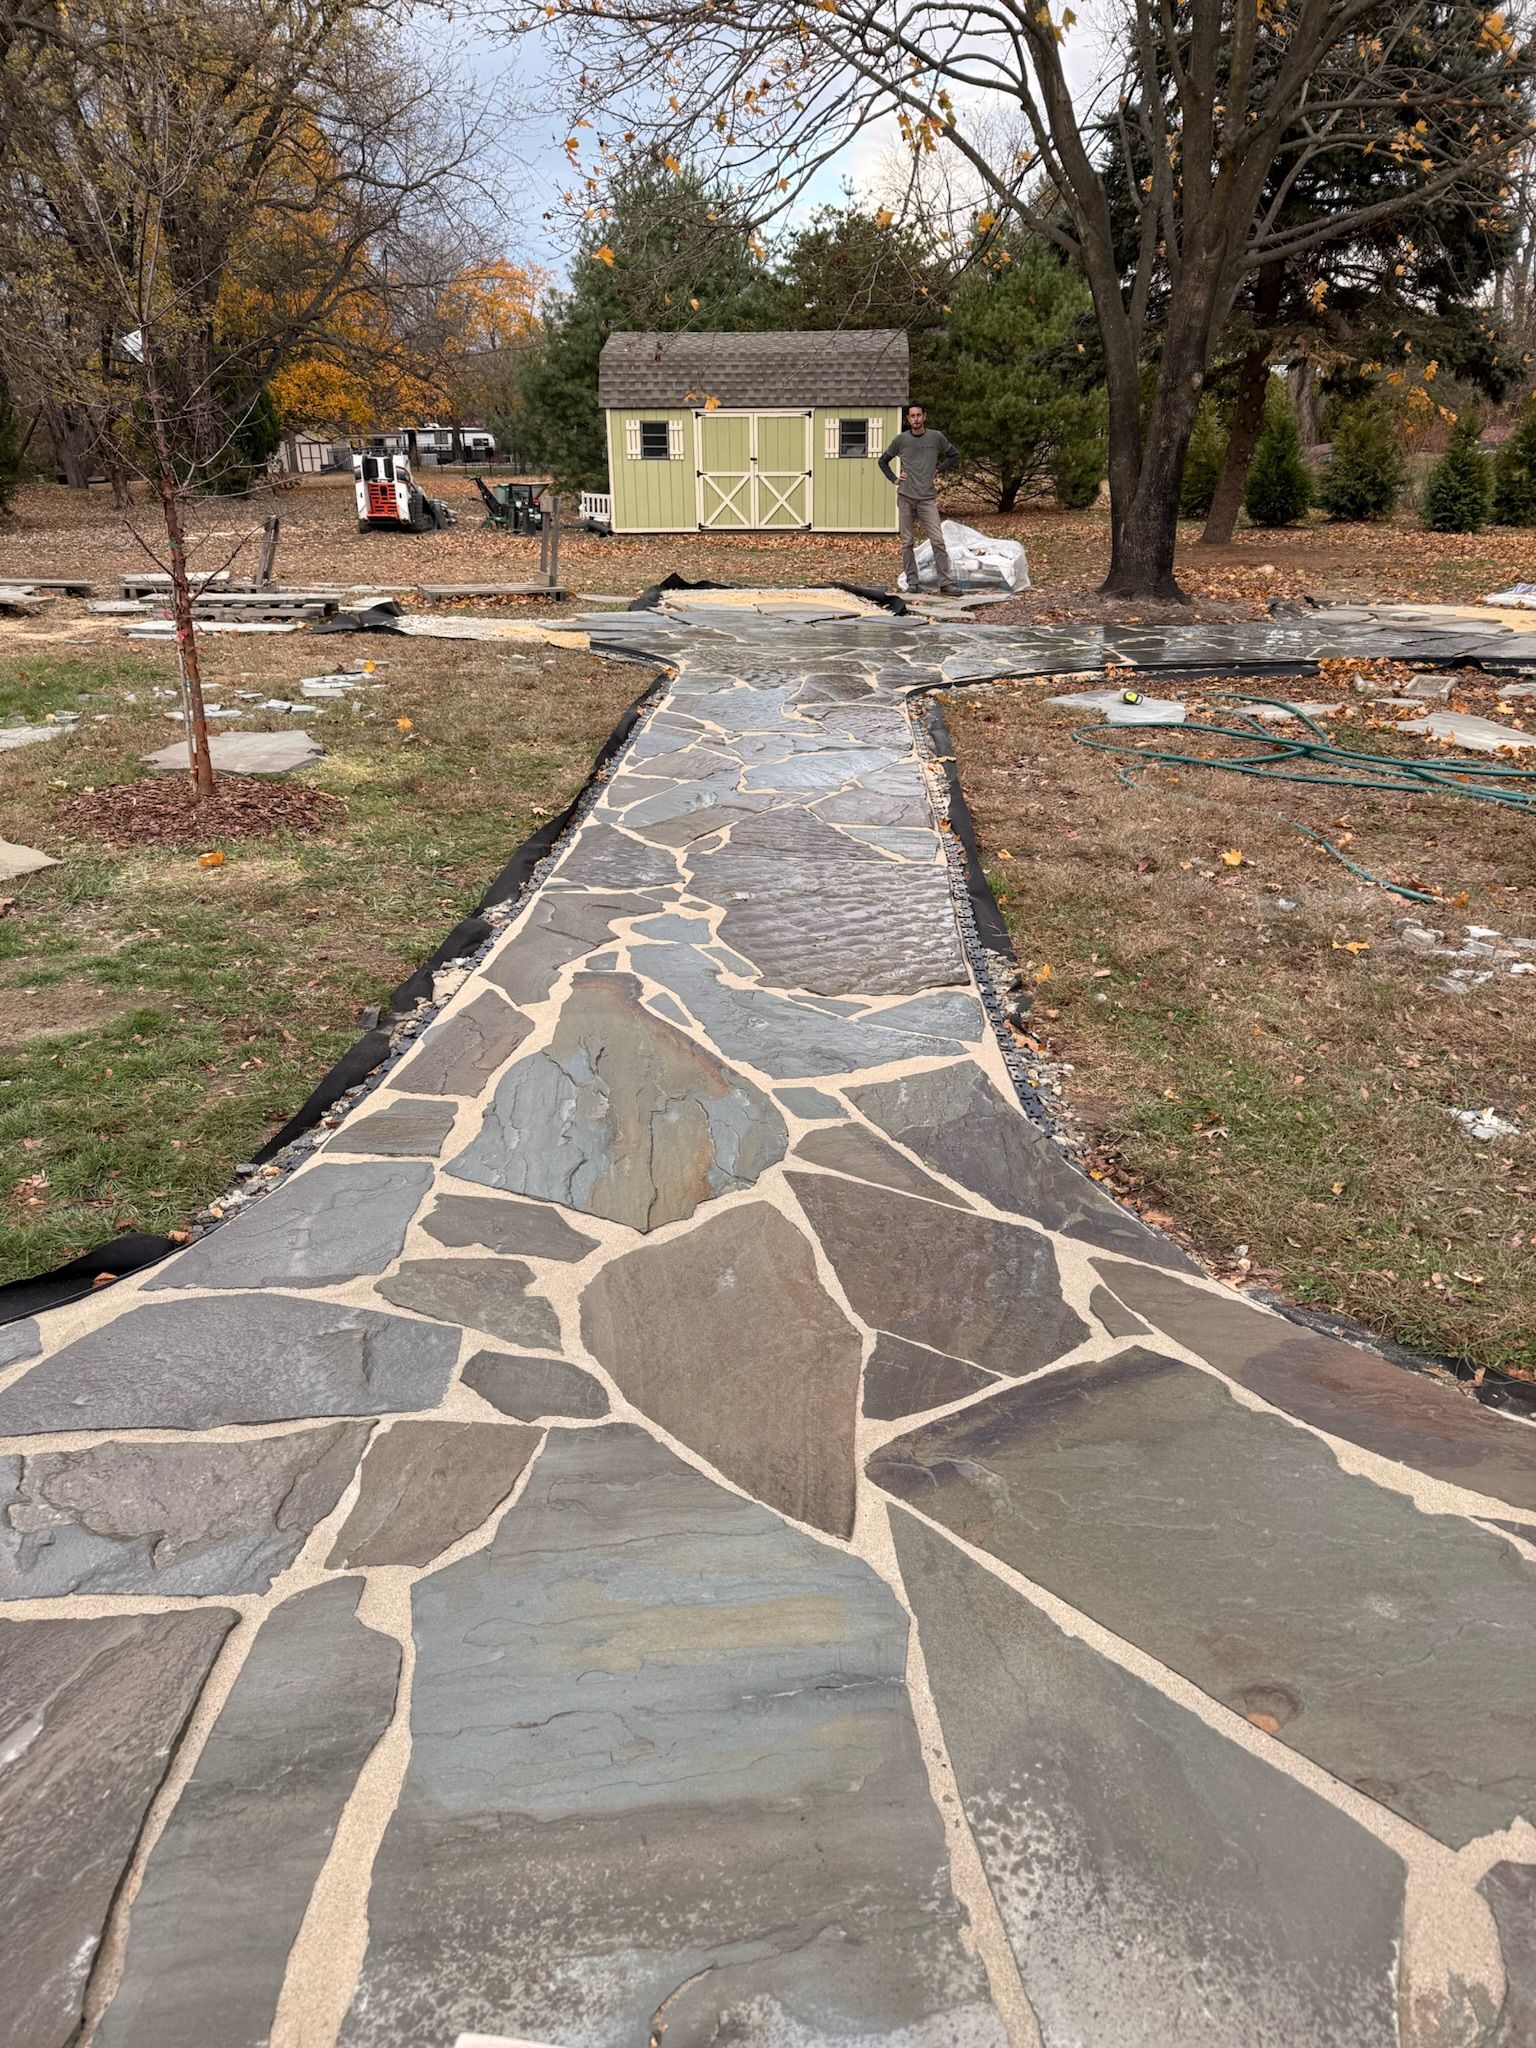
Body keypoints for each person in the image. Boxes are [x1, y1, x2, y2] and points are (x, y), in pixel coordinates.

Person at [878, 405, 963, 595]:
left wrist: (938, 469)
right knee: (907, 542)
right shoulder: (901, 440)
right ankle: (913, 582)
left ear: (924, 416)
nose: (916, 419)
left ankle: (945, 583)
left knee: (938, 541)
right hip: (906, 497)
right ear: (908, 419)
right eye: (912, 416)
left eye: (919, 415)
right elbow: (883, 461)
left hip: (927, 498)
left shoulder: (936, 437)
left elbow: (954, 455)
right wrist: (894, 478)